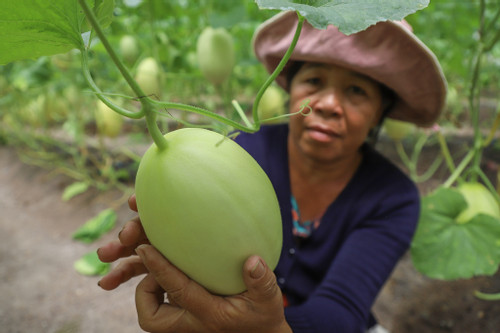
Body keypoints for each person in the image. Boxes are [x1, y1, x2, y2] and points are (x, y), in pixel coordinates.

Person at [97, 11, 447, 333]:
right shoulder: (242, 151)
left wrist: (258, 327)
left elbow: (342, 310)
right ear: (290, 88)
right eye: (313, 81)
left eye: (356, 91)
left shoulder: (393, 196)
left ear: (379, 112)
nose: (328, 104)